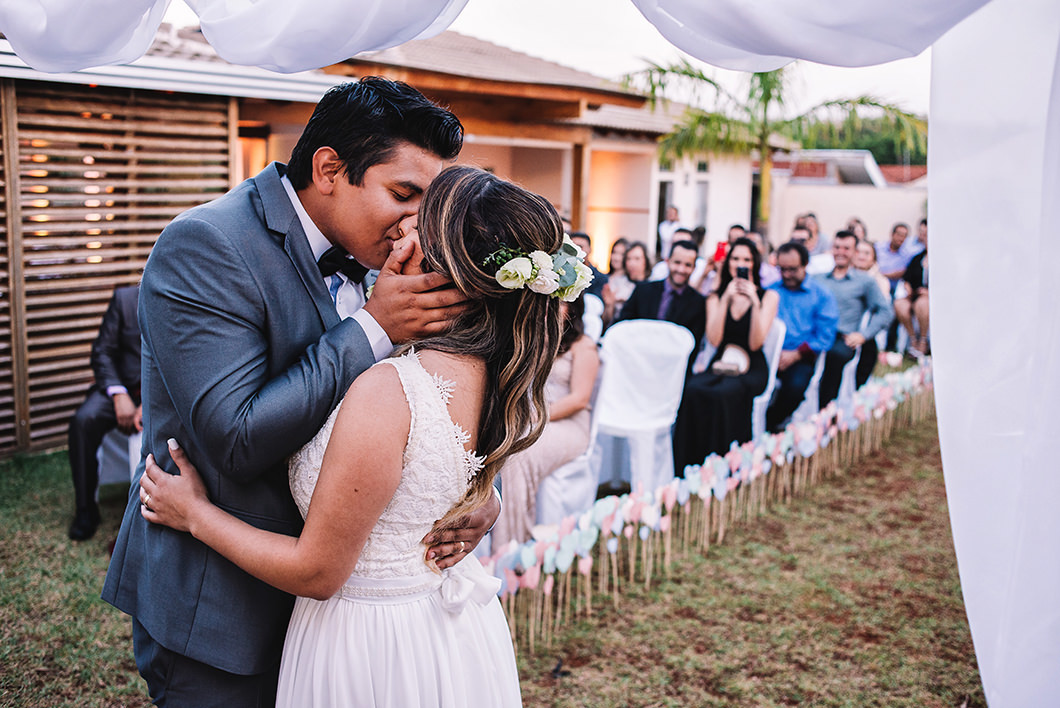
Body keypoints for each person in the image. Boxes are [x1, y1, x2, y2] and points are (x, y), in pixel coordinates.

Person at [138, 165, 590, 707]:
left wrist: (194, 515)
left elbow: (320, 568)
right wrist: (474, 494)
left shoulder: (391, 388)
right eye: (404, 196)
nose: (403, 226)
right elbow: (434, 459)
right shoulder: (497, 372)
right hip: (439, 631)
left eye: (421, 216)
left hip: (367, 639)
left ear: (445, 265)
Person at [102, 78, 491, 707]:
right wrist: (372, 327)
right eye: (403, 193)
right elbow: (234, 437)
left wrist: (475, 489)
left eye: (430, 200)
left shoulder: (389, 253)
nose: (417, 221)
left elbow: (431, 398)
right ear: (331, 168)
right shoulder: (204, 246)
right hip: (225, 611)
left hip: (349, 616)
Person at [491, 294, 599, 548]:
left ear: (573, 309)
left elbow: (579, 399)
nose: (552, 309)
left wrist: (536, 417)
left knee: (519, 453)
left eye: (560, 304)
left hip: (569, 423)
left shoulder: (584, 346)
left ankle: (512, 543)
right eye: (548, 302)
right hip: (531, 418)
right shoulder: (534, 338)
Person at [672, 238, 779, 474]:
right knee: (692, 389)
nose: (741, 264)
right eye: (736, 259)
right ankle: (690, 465)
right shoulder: (715, 296)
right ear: (728, 262)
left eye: (747, 259)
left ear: (755, 264)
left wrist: (752, 300)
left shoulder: (769, 296)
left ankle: (724, 465)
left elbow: (756, 342)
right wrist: (725, 298)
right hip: (721, 361)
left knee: (724, 394)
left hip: (752, 366)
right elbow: (714, 339)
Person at [67, 284, 141, 541]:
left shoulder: (184, 299)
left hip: (162, 396)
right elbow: (102, 351)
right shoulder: (125, 299)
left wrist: (153, 403)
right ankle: (86, 510)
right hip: (120, 388)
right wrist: (119, 394)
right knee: (83, 420)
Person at [765, 241, 839, 432]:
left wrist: (795, 355)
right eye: (783, 269)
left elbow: (825, 337)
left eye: (793, 269)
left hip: (801, 355)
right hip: (768, 354)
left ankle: (772, 424)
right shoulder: (771, 290)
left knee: (795, 387)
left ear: (805, 264)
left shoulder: (821, 295)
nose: (787, 274)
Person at [814, 231, 893, 403]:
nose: (841, 252)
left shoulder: (865, 282)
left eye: (846, 248)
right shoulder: (817, 279)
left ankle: (825, 413)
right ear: (831, 249)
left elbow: (885, 311)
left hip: (842, 337)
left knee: (835, 356)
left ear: (854, 252)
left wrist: (864, 335)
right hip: (815, 334)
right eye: (837, 247)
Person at [614, 239, 707, 357]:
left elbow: (693, 347)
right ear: (667, 261)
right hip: (636, 359)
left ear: (694, 268)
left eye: (688, 265)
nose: (681, 269)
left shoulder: (698, 303)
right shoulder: (643, 290)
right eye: (677, 262)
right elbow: (622, 325)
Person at [894, 225, 930, 354]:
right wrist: (907, 287)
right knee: (900, 305)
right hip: (913, 294)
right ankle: (912, 338)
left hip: (928, 298)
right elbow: (907, 277)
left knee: (923, 304)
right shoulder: (917, 258)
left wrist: (929, 292)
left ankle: (923, 341)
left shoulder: (941, 261)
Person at [601, 240, 649, 324]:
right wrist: (610, 305)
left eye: (637, 259)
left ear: (646, 261)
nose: (631, 263)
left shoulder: (653, 286)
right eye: (628, 259)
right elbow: (608, 321)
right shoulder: (619, 284)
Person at [569, 230, 608, 298]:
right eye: (572, 247)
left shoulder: (600, 278)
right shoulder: (562, 272)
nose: (576, 251)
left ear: (590, 250)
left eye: (580, 247)